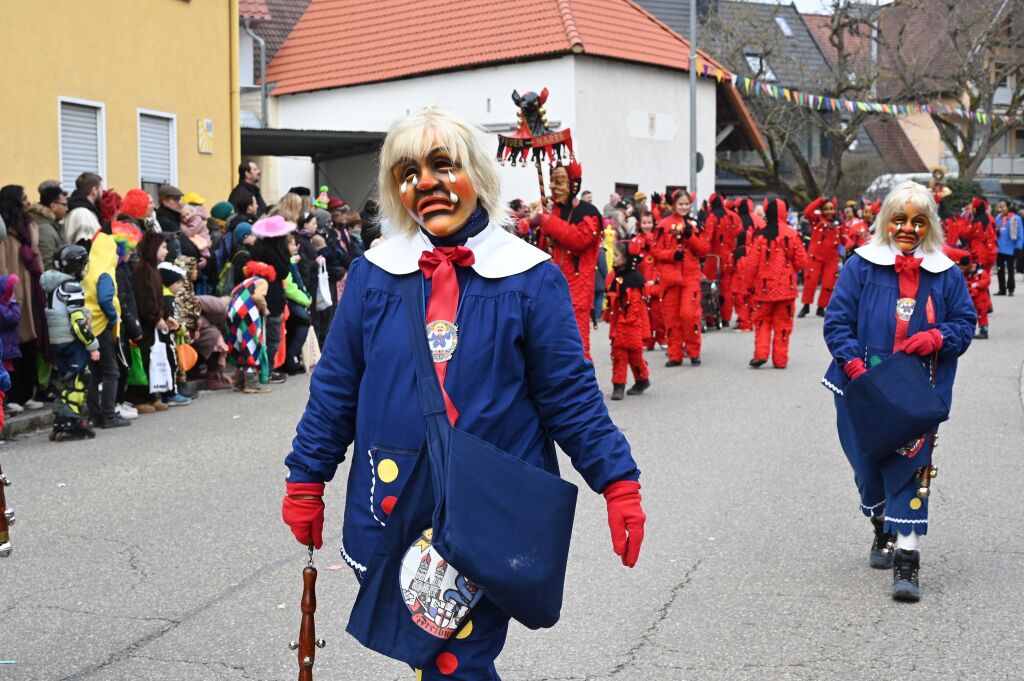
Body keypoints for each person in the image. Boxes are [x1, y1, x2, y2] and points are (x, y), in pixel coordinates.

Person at [280, 107, 645, 680]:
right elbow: (335, 390)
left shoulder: (530, 277)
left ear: (477, 173)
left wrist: (617, 480)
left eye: (443, 165)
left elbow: (570, 398)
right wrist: (306, 477)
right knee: (436, 661)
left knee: (458, 661)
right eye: (407, 173)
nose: (424, 184)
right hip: (392, 502)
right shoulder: (374, 275)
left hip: (488, 508)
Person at [823, 180, 975, 602]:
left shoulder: (948, 274)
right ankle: (880, 524)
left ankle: (908, 558)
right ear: (885, 221)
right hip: (862, 387)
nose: (908, 228)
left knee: (910, 469)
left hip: (915, 393)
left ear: (930, 226)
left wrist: (938, 338)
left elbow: (965, 325)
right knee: (868, 473)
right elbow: (836, 321)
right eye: (900, 220)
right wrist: (853, 365)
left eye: (918, 221)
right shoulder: (859, 266)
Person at [537, 163, 603, 360]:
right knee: (553, 339)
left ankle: (584, 388)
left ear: (573, 184)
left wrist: (547, 222)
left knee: (577, 340)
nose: (553, 186)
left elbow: (580, 240)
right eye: (552, 181)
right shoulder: (551, 210)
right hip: (551, 282)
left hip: (577, 284)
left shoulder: (588, 212)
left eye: (560, 181)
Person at [741, 198, 806, 369]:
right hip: (787, 288)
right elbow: (800, 261)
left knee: (762, 322)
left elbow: (751, 264)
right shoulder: (792, 234)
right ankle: (780, 359)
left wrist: (747, 285)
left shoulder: (760, 235)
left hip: (764, 288)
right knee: (783, 325)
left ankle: (761, 353)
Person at [40, 245, 97, 439]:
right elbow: (77, 322)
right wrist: (92, 344)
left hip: (56, 341)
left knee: (66, 380)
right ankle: (70, 419)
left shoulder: (52, 286)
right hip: (72, 341)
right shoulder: (71, 286)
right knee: (77, 381)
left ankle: (61, 418)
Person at [0, 185, 48, 411]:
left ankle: (28, 392)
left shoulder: (28, 226)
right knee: (13, 344)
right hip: (13, 290)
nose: (28, 202)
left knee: (30, 342)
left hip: (32, 289)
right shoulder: (5, 229)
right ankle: (14, 396)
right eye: (24, 198)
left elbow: (36, 257)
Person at [653, 190, 708, 366]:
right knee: (671, 317)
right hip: (670, 277)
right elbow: (655, 250)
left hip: (690, 276)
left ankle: (693, 351)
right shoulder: (663, 225)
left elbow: (703, 250)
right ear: (674, 205)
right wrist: (671, 255)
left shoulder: (695, 225)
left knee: (689, 315)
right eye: (680, 204)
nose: (683, 207)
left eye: (686, 204)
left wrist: (690, 237)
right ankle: (674, 354)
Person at [82, 230, 128, 428]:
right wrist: (113, 318)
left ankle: (95, 414)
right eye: (114, 252)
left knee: (93, 373)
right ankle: (109, 415)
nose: (117, 256)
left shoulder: (88, 269)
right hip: (101, 326)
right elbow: (105, 298)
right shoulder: (106, 273)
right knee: (111, 372)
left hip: (87, 326)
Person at [250, 215, 295, 384]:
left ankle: (262, 369)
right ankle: (266, 370)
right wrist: (286, 254)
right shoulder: (271, 252)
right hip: (272, 297)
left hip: (261, 294)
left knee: (263, 334)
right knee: (273, 337)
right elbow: (283, 272)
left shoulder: (258, 248)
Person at [605, 240, 651, 400]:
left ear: (626, 259)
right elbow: (613, 299)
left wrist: (627, 320)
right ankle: (619, 385)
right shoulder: (617, 276)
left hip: (631, 325)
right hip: (620, 324)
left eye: (617, 255)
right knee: (619, 355)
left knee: (634, 356)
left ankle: (641, 380)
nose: (614, 257)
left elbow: (635, 304)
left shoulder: (634, 279)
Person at [226, 260, 274, 393]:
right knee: (251, 343)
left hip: (232, 313)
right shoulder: (262, 281)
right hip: (247, 314)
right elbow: (258, 297)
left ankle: (239, 381)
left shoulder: (243, 283)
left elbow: (232, 296)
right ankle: (251, 383)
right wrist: (264, 309)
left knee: (238, 344)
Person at [799, 196, 843, 317]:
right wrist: (820, 200)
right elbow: (807, 211)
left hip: (831, 259)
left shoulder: (839, 225)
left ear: (835, 210)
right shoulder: (816, 220)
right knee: (810, 282)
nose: (829, 211)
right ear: (822, 210)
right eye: (826, 209)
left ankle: (821, 307)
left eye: (831, 209)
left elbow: (846, 239)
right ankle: (806, 306)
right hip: (815, 258)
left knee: (828, 284)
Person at [157, 262, 191, 406]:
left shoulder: (163, 293)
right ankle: (171, 394)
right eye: (177, 282)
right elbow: (172, 321)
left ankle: (169, 393)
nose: (179, 286)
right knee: (172, 364)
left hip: (163, 337)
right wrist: (182, 330)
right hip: (167, 338)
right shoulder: (167, 297)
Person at [29, 184, 68, 269]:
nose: (66, 209)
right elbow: (47, 265)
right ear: (53, 205)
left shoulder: (52, 223)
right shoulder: (45, 229)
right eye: (64, 205)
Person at [64, 172, 103, 246]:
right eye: (101, 188)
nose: (102, 192)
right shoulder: (83, 213)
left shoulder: (78, 209)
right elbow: (85, 246)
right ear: (94, 190)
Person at [994, 199, 1022, 296]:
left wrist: (1018, 248)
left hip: (1011, 249)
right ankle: (1002, 289)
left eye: (1003, 206)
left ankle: (1011, 289)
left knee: (1010, 270)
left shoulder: (1016, 218)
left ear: (1008, 207)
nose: (1001, 208)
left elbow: (1021, 234)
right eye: (1000, 206)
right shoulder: (998, 218)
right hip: (999, 248)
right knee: (999, 270)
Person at [156, 185, 186, 260]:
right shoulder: (164, 219)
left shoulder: (174, 216)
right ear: (164, 201)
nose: (179, 203)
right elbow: (179, 242)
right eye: (175, 199)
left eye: (179, 200)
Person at [965, 258, 992, 339]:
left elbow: (987, 281)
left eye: (974, 265)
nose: (972, 266)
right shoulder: (969, 274)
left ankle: (984, 332)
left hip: (981, 300)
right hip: (973, 300)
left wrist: (977, 284)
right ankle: (972, 331)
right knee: (972, 316)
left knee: (982, 316)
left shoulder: (982, 273)